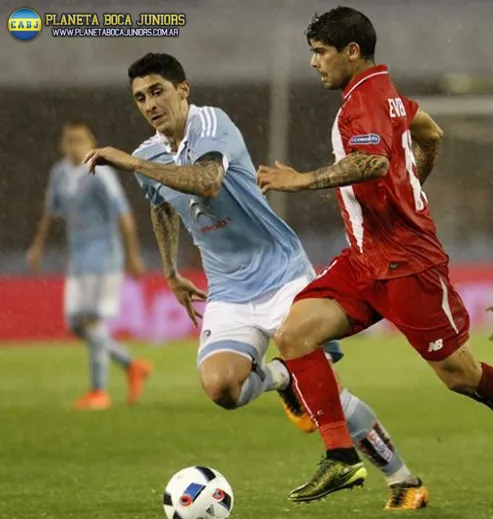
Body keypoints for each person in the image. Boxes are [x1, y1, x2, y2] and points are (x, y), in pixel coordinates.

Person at [256, 8, 493, 518]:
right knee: (295, 334)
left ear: (351, 52)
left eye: (321, 52)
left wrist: (300, 180)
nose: (313, 62)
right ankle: (341, 454)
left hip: (408, 265)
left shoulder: (361, 103)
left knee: (461, 375)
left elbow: (372, 162)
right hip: (366, 260)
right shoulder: (383, 92)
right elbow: (429, 131)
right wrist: (410, 189)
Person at [83, 52, 428, 510]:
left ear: (182, 90)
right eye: (141, 97)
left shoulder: (211, 125)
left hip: (282, 274)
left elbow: (206, 182)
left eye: (158, 91)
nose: (149, 104)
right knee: (222, 388)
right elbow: (161, 204)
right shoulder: (149, 156)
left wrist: (130, 163)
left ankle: (403, 481)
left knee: (327, 397)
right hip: (227, 290)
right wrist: (170, 270)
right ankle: (282, 378)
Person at [27, 121, 151, 410]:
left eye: (80, 140)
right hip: (79, 259)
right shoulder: (59, 173)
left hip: (104, 257)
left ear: (90, 142)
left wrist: (133, 255)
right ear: (62, 144)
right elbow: (49, 212)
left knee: (92, 321)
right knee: (74, 323)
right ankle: (132, 365)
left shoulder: (100, 171)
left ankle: (99, 392)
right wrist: (37, 246)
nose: (74, 146)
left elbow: (124, 215)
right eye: (69, 141)